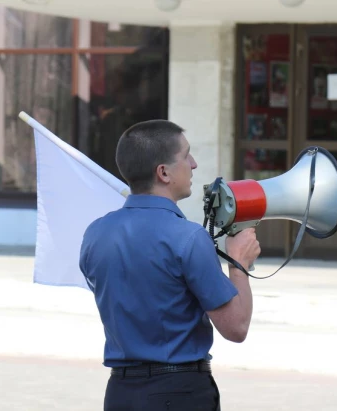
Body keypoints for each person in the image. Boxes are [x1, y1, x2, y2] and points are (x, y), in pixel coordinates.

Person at [79, 119, 261, 410]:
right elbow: (236, 327)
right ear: (163, 172)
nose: (194, 164)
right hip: (178, 393)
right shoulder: (188, 237)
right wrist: (239, 263)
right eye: (186, 155)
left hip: (120, 394)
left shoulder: (95, 233)